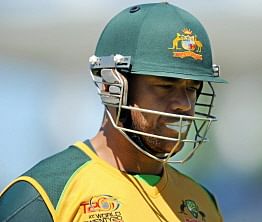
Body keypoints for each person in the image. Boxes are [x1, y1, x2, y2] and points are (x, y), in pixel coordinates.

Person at [0, 2, 226, 221]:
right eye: (165, 86)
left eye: (192, 88)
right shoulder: (44, 196)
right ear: (111, 86)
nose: (184, 104)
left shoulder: (202, 202)